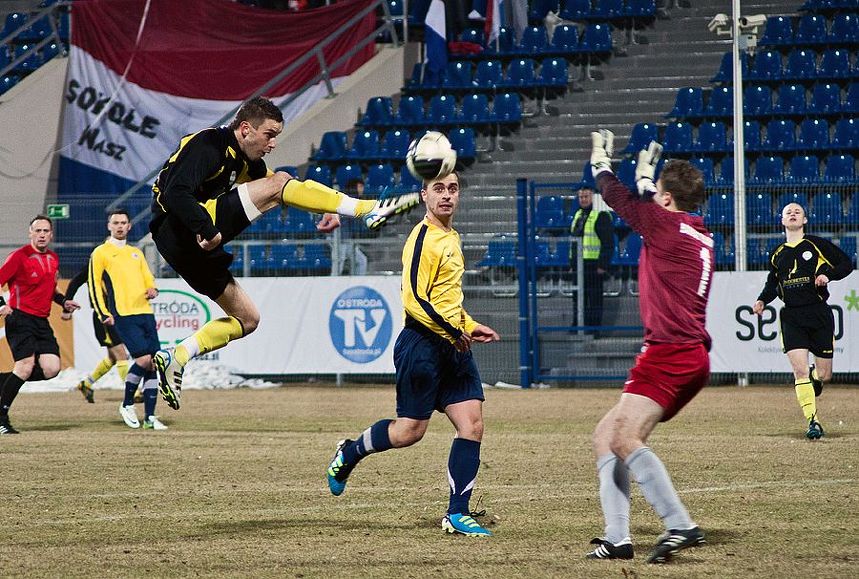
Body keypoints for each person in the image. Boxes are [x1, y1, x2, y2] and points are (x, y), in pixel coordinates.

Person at [149, 96, 419, 410]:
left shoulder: (246, 162)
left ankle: (176, 356)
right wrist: (205, 228)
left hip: (189, 248)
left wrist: (330, 208)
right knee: (278, 184)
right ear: (246, 129)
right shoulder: (209, 144)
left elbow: (284, 187)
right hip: (177, 225)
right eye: (269, 134)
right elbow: (174, 192)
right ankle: (366, 209)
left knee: (247, 319)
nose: (273, 143)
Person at [325, 171, 501, 536]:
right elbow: (415, 301)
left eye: (453, 189)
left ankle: (457, 513)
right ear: (424, 195)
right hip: (422, 345)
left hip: (454, 344)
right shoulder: (422, 238)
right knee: (409, 432)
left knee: (473, 425)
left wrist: (468, 324)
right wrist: (455, 331)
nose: (447, 196)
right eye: (439, 189)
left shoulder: (452, 237)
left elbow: (446, 299)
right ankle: (351, 451)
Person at [585, 132, 713, 563]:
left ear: (668, 198)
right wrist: (647, 180)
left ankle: (680, 524)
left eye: (658, 190)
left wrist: (601, 164)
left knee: (623, 437)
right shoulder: (693, 229)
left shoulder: (665, 224)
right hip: (684, 353)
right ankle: (617, 538)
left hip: (670, 353)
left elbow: (621, 200)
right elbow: (651, 207)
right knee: (607, 435)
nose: (652, 195)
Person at [752, 203, 852, 440]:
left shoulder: (816, 244)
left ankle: (815, 378)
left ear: (805, 220)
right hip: (792, 316)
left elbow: (846, 264)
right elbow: (773, 284)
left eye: (797, 211)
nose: (793, 214)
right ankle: (813, 421)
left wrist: (829, 275)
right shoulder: (777, 253)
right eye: (788, 212)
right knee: (799, 371)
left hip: (818, 313)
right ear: (782, 221)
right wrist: (762, 301)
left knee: (825, 375)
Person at [0, 216, 81, 434]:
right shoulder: (19, 256)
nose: (42, 234)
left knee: (51, 369)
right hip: (19, 318)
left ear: (51, 234)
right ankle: (1, 418)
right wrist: (1, 305)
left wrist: (64, 301)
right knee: (25, 366)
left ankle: (4, 381)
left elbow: (51, 289)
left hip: (40, 321)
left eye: (46, 231)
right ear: (30, 233)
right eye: (38, 231)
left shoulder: (53, 258)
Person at [89, 210, 166, 430]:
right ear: (109, 226)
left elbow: (148, 278)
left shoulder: (136, 253)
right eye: (116, 223)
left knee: (153, 364)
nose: (120, 226)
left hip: (145, 312)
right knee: (142, 360)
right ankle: (126, 404)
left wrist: (153, 289)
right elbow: (94, 285)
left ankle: (150, 418)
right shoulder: (101, 252)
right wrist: (103, 312)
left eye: (123, 222)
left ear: (129, 226)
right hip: (122, 313)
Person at [64, 259, 131, 404]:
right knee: (122, 355)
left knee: (113, 358)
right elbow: (75, 282)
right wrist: (66, 308)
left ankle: (86, 384)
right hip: (104, 316)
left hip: (117, 315)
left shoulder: (121, 264)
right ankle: (134, 391)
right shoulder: (94, 265)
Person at [570, 186, 614, 334]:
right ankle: (578, 326)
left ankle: (594, 329)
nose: (583, 200)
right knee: (578, 298)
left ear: (593, 197)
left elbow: (608, 243)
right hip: (579, 264)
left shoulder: (601, 215)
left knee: (594, 299)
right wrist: (572, 264)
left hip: (594, 265)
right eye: (581, 197)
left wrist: (602, 265)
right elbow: (573, 243)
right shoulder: (578, 215)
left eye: (586, 197)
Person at [336, 178, 373, 276]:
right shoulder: (350, 200)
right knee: (338, 263)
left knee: (361, 261)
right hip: (340, 238)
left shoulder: (354, 201)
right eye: (360, 186)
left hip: (347, 239)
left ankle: (358, 281)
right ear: (354, 187)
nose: (362, 189)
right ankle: (331, 284)